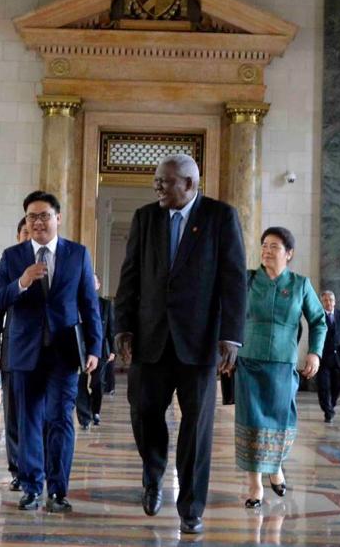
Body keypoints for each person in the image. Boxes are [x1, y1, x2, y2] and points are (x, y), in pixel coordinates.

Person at [114, 154, 246, 535]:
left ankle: (191, 507)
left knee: (197, 428)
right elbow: (130, 278)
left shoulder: (220, 217)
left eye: (164, 181)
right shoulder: (145, 218)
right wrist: (123, 328)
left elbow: (234, 281)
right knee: (142, 413)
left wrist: (231, 336)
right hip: (150, 340)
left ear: (189, 184)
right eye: (156, 181)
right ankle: (153, 474)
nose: (157, 187)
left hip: (200, 344)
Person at [0, 190, 102, 513]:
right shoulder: (12, 257)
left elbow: (89, 305)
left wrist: (94, 347)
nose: (38, 222)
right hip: (24, 352)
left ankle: (58, 489)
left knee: (59, 419)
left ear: (58, 218)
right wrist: (22, 282)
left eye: (44, 216)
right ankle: (30, 486)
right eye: (32, 217)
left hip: (65, 353)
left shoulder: (77, 255)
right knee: (27, 421)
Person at [234, 226, 326, 508]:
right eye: (264, 245)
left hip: (283, 364)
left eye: (274, 246)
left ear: (289, 253)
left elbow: (319, 320)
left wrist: (314, 353)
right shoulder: (248, 280)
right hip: (249, 360)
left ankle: (275, 468)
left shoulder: (299, 284)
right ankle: (254, 484)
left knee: (281, 421)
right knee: (252, 422)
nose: (267, 250)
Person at [0, 217, 31, 491]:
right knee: (13, 415)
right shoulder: (10, 261)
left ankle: (36, 465)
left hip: (46, 353)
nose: (29, 236)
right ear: (18, 235)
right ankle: (17, 469)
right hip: (13, 350)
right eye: (25, 231)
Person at [76, 273, 116, 430]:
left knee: (97, 383)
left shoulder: (105, 304)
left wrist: (113, 350)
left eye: (94, 282)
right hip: (81, 349)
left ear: (98, 285)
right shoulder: (77, 303)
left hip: (100, 350)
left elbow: (111, 328)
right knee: (80, 384)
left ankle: (95, 411)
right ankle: (84, 417)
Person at [316, 291, 340, 423]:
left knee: (337, 386)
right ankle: (327, 410)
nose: (328, 302)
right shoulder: (318, 316)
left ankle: (331, 404)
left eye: (331, 300)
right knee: (324, 386)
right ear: (322, 302)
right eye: (325, 300)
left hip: (338, 359)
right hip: (323, 358)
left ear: (335, 301)